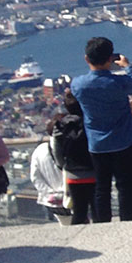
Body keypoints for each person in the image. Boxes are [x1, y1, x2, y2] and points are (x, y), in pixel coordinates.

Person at [70, 36, 132, 222]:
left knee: (102, 187)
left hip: (97, 143)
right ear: (110, 58)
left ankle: (102, 223)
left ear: (87, 59)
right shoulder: (118, 83)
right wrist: (128, 66)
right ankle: (129, 220)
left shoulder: (78, 84)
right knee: (125, 185)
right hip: (123, 141)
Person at [51, 93, 96, 225]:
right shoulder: (91, 122)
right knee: (97, 208)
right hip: (94, 170)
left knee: (78, 210)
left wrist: (64, 167)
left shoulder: (60, 126)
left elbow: (57, 152)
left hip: (72, 173)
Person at [30, 119, 67, 223]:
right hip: (72, 197)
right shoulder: (71, 147)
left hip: (51, 200)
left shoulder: (39, 150)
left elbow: (35, 177)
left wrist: (50, 193)